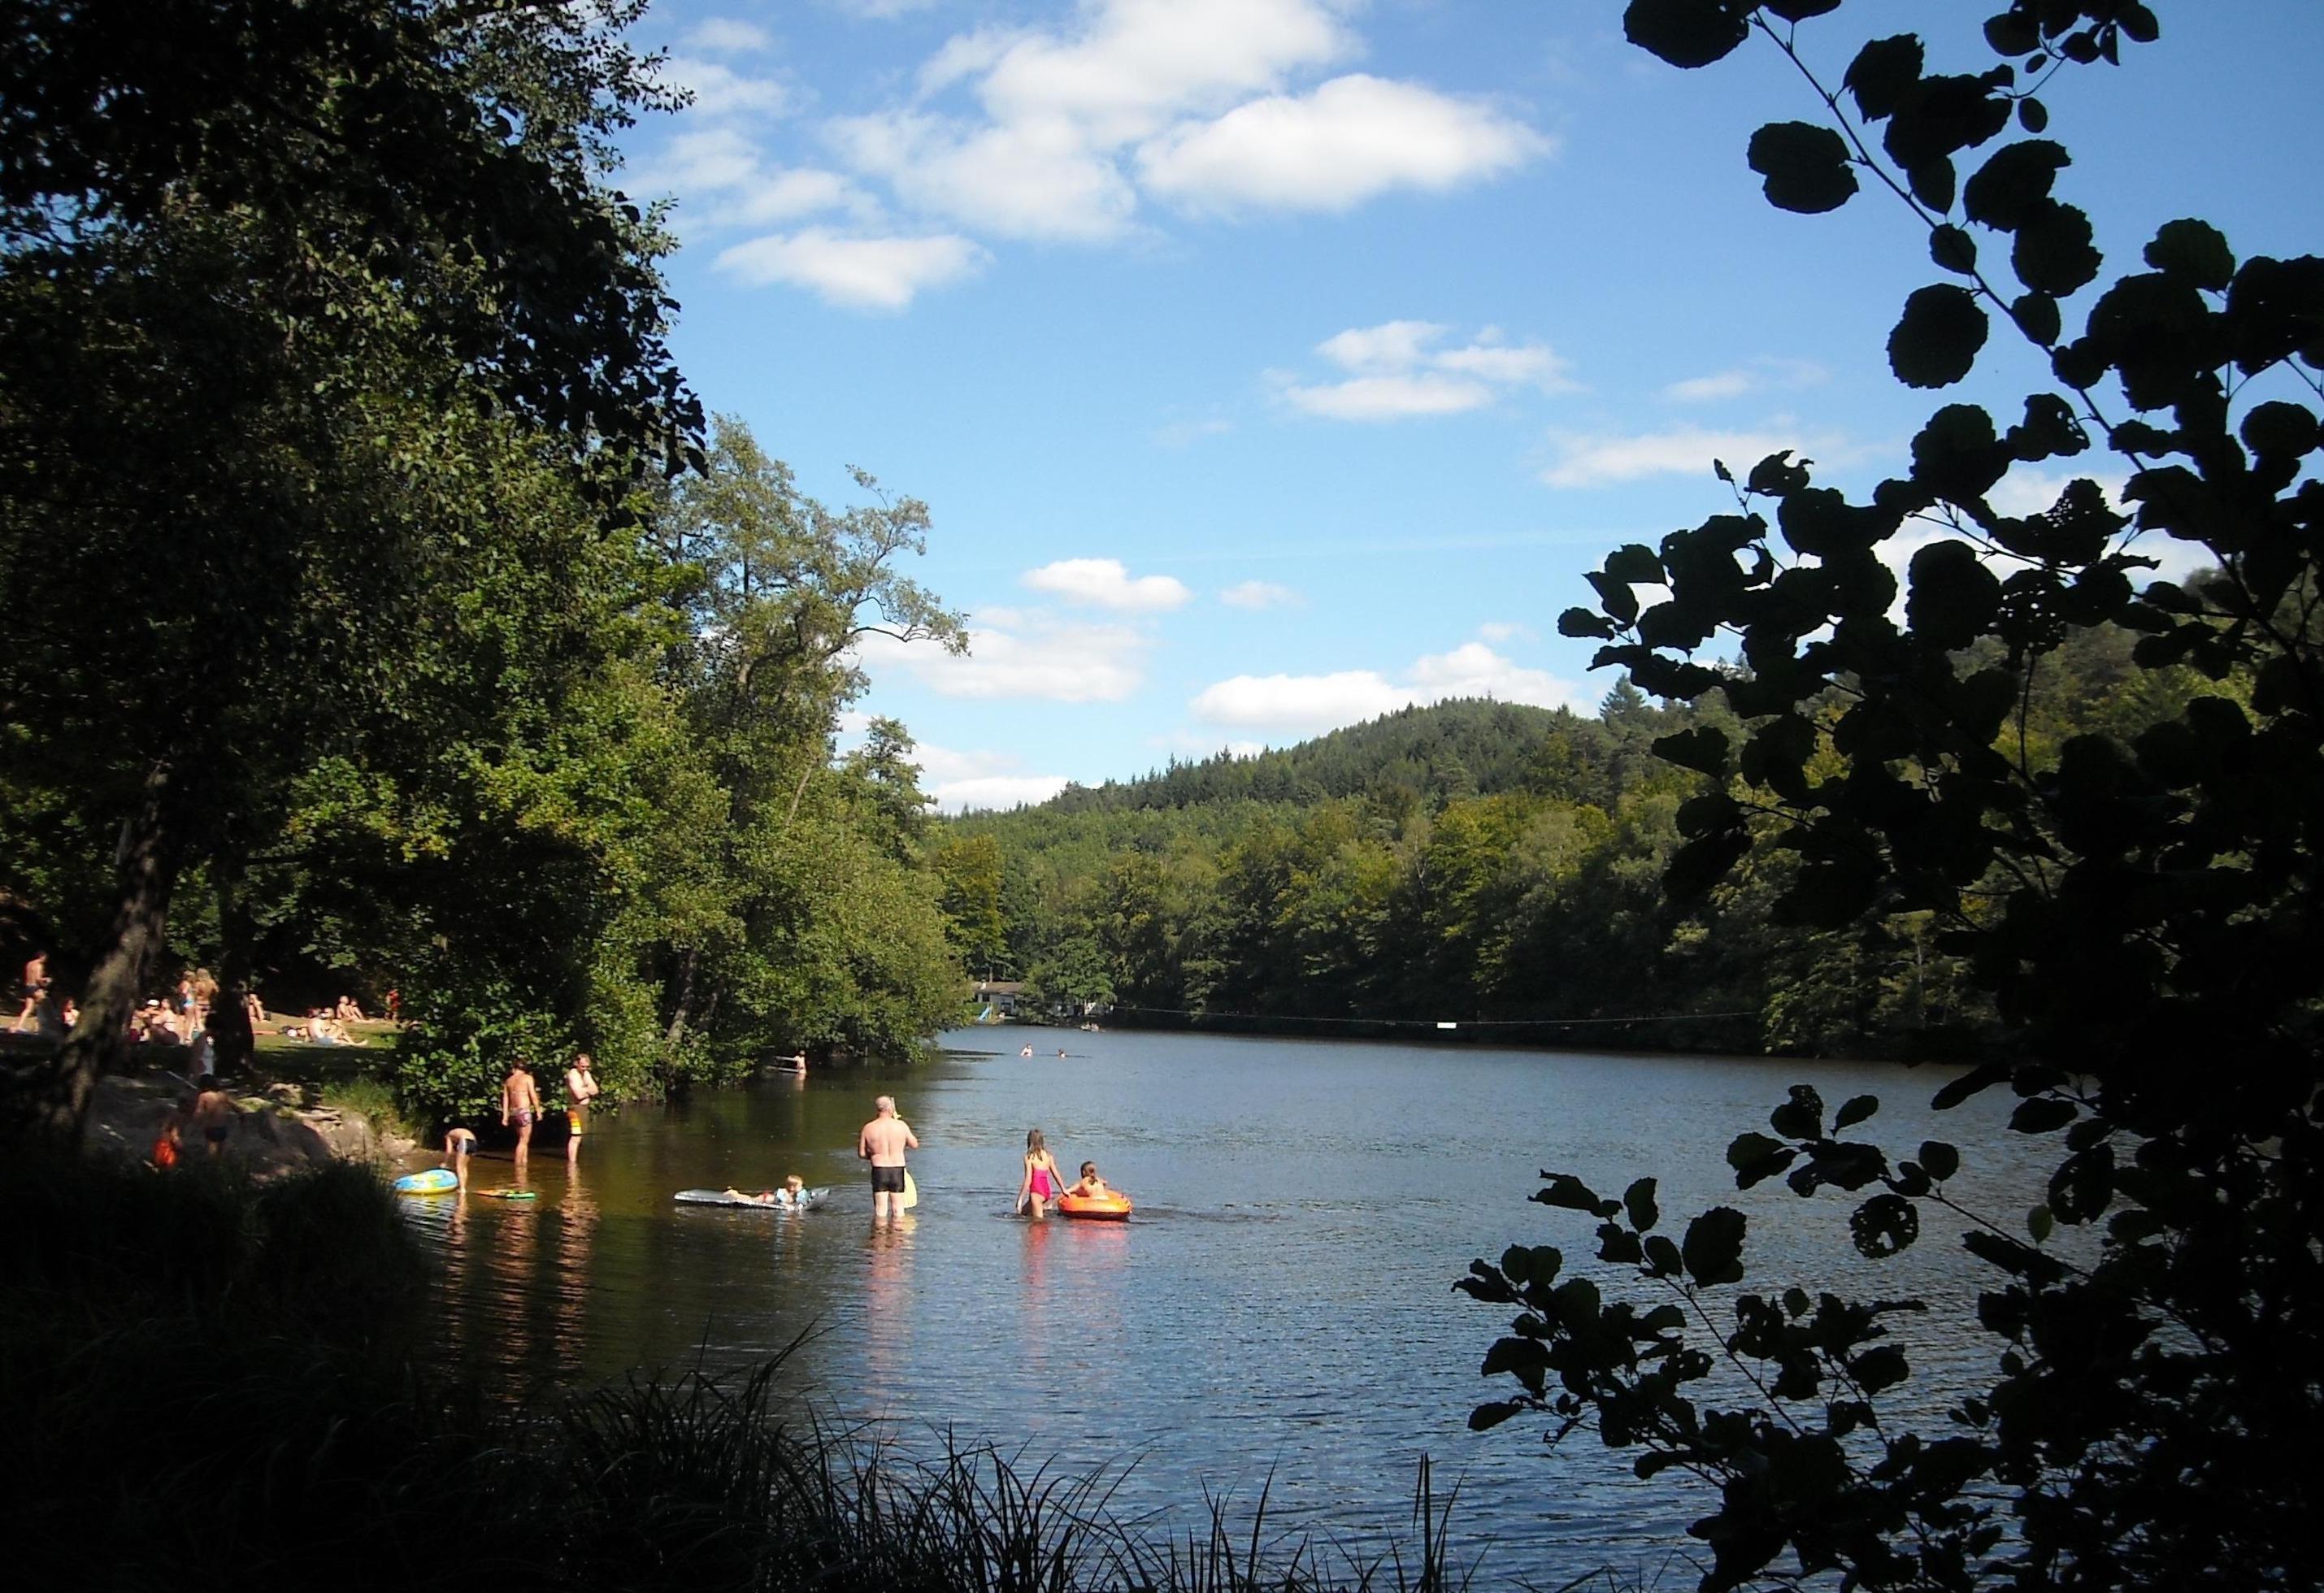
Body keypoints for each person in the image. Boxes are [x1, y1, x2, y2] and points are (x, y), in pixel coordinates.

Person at [858, 1094, 919, 1220]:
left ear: (877, 1108)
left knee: (880, 1210)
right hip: (897, 1169)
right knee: (898, 1210)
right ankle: (898, 1232)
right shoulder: (901, 1126)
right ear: (891, 1108)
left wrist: (874, 1155)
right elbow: (914, 1144)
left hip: (879, 1169)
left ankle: (879, 1232)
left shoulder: (868, 1128)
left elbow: (862, 1153)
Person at [1015, 1127, 1065, 1218]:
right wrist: (1063, 1189)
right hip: (1046, 1191)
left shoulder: (1029, 1157)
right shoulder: (1048, 1156)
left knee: (1038, 1222)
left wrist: (1020, 1199)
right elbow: (1056, 1174)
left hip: (1036, 1192)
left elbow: (1028, 1180)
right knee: (1022, 1214)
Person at [502, 1058, 542, 1162]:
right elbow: (533, 1095)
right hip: (524, 1111)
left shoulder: (508, 1081)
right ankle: (518, 1164)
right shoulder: (527, 1078)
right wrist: (538, 1111)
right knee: (523, 1140)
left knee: (522, 1138)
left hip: (513, 1112)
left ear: (514, 1068)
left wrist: (505, 1117)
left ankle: (524, 1162)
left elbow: (505, 1100)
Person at [563, 1052, 601, 1162]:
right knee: (576, 1136)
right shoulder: (573, 1075)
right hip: (575, 1108)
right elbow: (578, 1095)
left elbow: (595, 1090)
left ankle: (573, 1160)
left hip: (584, 1108)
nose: (585, 1069)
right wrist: (588, 1090)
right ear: (577, 1064)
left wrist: (584, 1090)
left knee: (579, 1136)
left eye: (587, 1067)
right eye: (583, 1066)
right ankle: (572, 1162)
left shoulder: (586, 1074)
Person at [189, 1074, 237, 1157]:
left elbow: (199, 1111)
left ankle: (212, 1163)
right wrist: (241, 1113)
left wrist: (195, 1122)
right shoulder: (222, 1094)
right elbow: (233, 1105)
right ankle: (221, 1163)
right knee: (221, 1149)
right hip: (223, 1126)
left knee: (212, 1149)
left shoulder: (204, 1096)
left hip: (211, 1126)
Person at [14, 948, 49, 1032]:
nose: (45, 960)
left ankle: (19, 1025)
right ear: (42, 957)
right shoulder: (39, 965)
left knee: (28, 1009)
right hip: (35, 987)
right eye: (45, 958)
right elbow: (38, 979)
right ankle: (38, 1027)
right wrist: (46, 981)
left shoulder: (29, 964)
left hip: (28, 987)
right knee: (43, 1006)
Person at [723, 1175, 810, 1208]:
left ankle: (734, 1193)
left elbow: (801, 1199)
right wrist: (786, 1205)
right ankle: (733, 1193)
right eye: (799, 1186)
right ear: (792, 1187)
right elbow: (779, 1200)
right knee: (750, 1199)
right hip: (765, 1198)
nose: (801, 1188)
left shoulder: (795, 1193)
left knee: (750, 1198)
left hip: (768, 1198)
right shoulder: (783, 1191)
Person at [443, 1125, 478, 1191]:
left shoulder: (449, 1135)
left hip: (465, 1140)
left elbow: (449, 1151)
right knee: (464, 1167)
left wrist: (445, 1163)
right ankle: (463, 1187)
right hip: (473, 1142)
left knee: (459, 1166)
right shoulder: (456, 1132)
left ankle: (462, 1189)